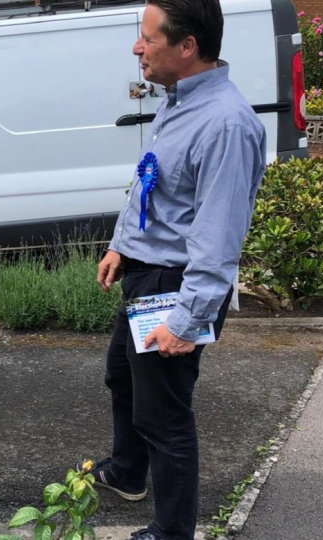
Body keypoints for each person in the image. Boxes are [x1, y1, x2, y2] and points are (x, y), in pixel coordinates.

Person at [94, 0, 267, 538]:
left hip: (176, 286)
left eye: (147, 38)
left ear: (187, 45)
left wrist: (188, 321)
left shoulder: (226, 125)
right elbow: (155, 182)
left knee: (165, 417)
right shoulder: (180, 99)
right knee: (121, 377)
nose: (136, 48)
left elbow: (217, 240)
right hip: (147, 273)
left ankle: (172, 532)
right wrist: (122, 244)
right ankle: (127, 471)